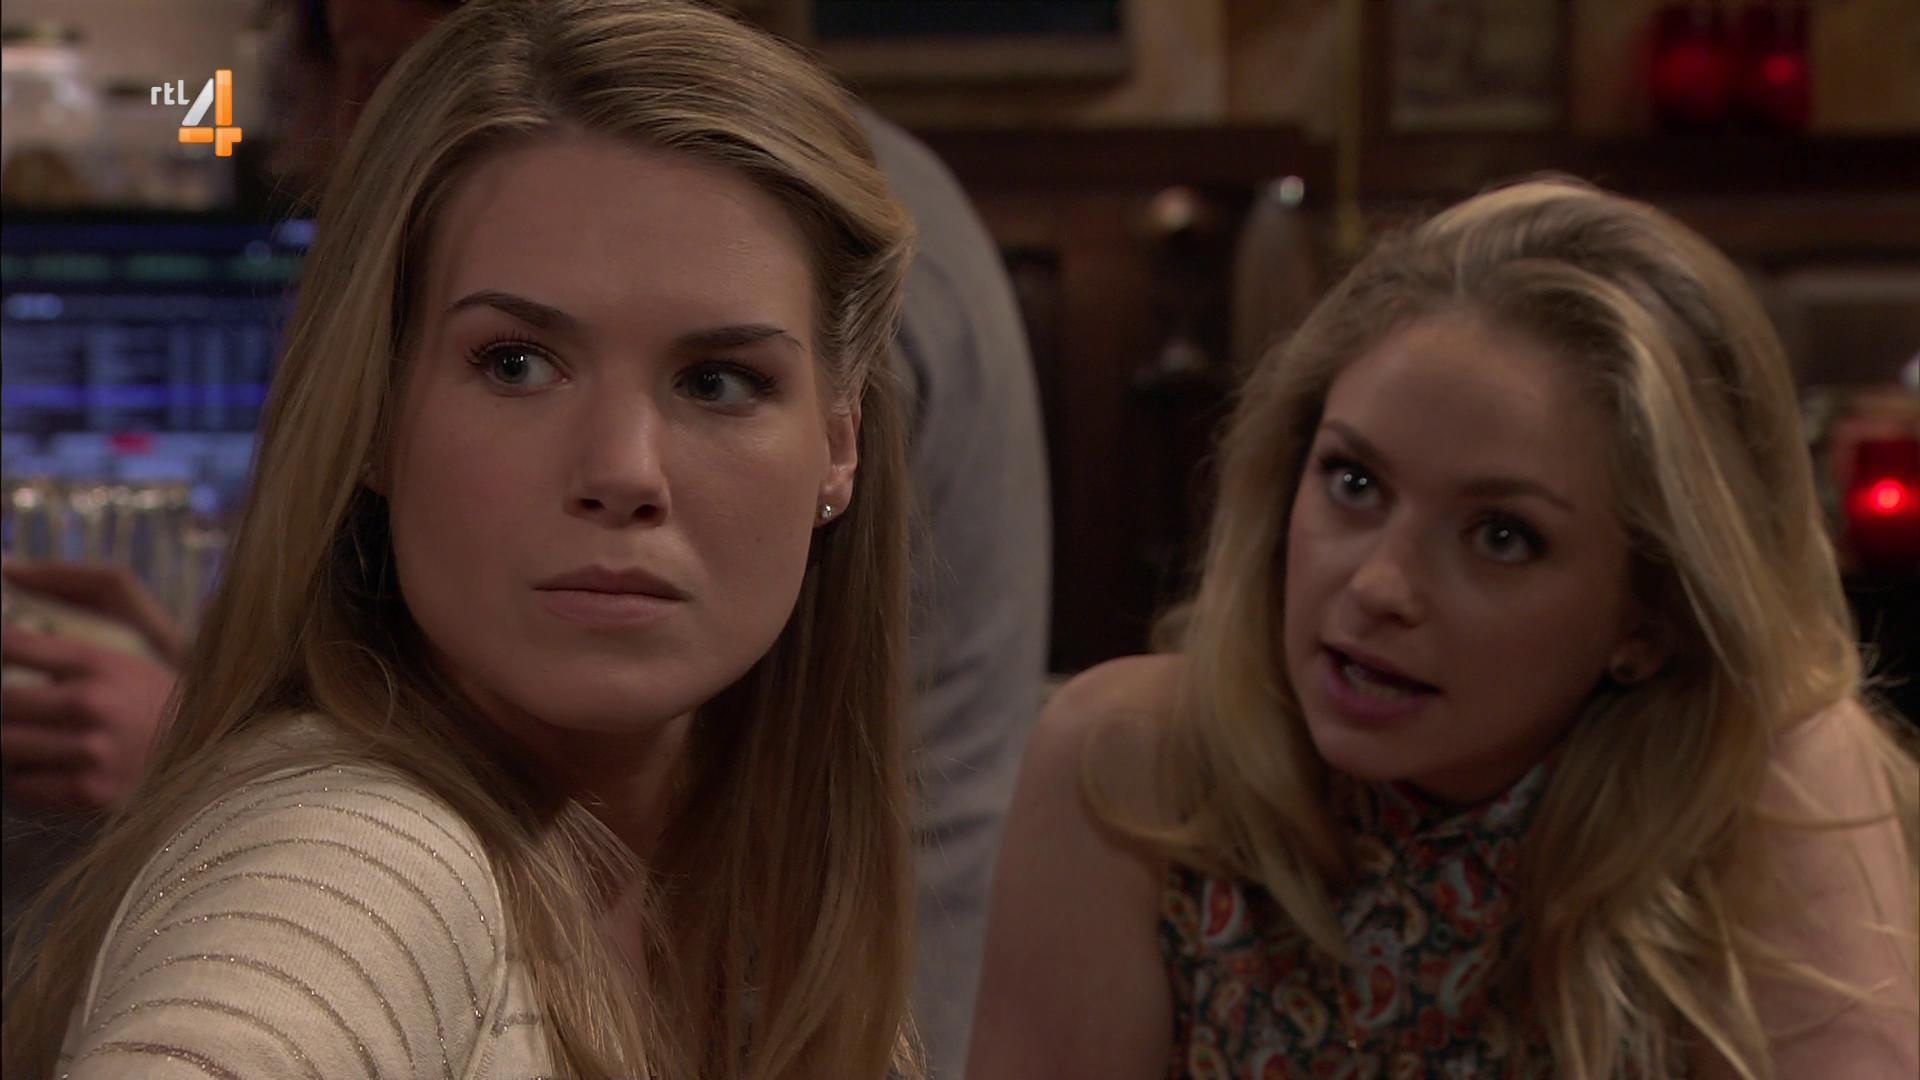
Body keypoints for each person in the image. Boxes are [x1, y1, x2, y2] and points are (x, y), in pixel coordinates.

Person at [1, 2, 1049, 1073]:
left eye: (718, 382)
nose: (623, 470)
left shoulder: (734, 892)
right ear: (372, 409)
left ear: (841, 442)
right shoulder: (353, 866)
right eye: (517, 365)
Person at [969, 178, 1919, 1079]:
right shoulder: (1134, 772)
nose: (1379, 585)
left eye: (1502, 536)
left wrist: (1808, 750)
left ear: (1653, 616)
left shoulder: (1757, 778)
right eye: (1353, 482)